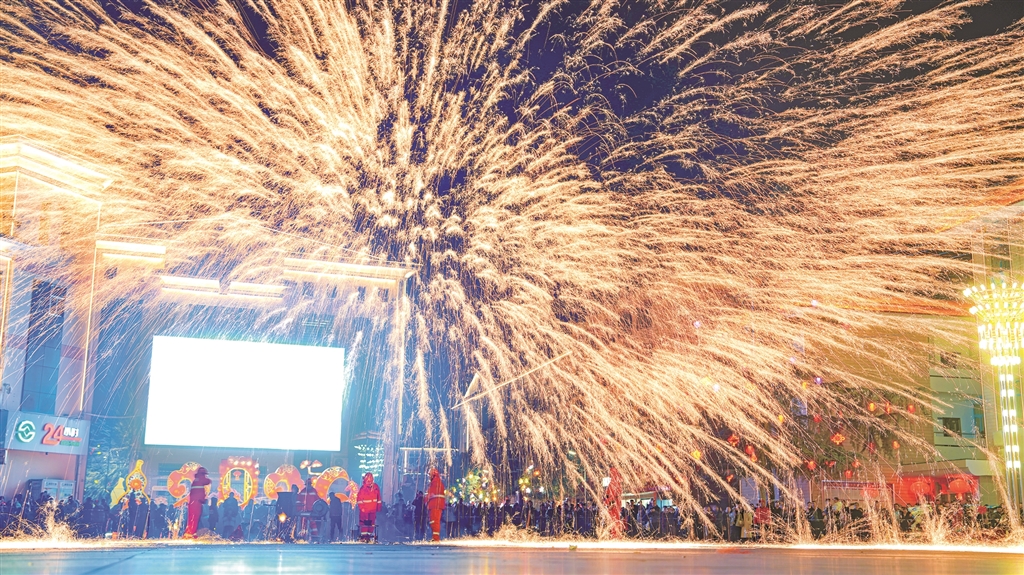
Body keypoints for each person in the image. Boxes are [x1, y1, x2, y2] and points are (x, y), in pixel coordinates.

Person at [184, 467, 211, 538]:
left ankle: (189, 533)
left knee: (192, 518)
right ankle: (191, 533)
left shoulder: (196, 480)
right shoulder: (201, 478)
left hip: (193, 503)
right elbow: (208, 481)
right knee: (195, 518)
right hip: (196, 503)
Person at [356, 473, 382, 542]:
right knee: (364, 523)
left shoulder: (375, 487)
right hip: (365, 510)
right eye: (368, 480)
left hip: (373, 509)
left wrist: (378, 507)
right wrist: (362, 508)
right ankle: (364, 536)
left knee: (372, 523)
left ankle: (369, 536)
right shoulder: (363, 488)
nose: (369, 482)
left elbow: (378, 498)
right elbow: (359, 499)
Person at [426, 468, 446, 542]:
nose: (429, 476)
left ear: (433, 474)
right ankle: (435, 537)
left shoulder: (435, 483)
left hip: (435, 505)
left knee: (435, 521)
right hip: (435, 505)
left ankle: (436, 538)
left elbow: (431, 494)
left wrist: (425, 499)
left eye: (429, 474)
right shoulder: (436, 482)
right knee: (433, 521)